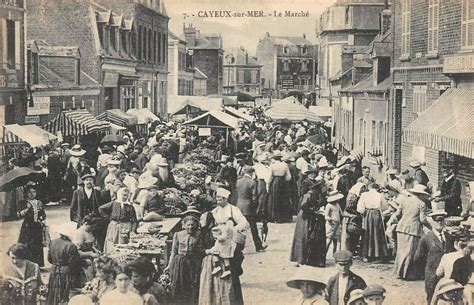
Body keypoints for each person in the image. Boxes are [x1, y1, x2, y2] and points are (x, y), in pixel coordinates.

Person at [210, 187, 248, 303]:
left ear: (226, 199)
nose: (218, 201)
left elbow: (243, 223)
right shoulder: (215, 211)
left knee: (232, 266)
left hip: (231, 240)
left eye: (220, 199)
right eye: (217, 198)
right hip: (220, 240)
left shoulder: (233, 210)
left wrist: (233, 230)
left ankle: (234, 298)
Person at [415, 206, 454, 304]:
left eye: (441, 220)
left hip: (447, 274)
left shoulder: (449, 237)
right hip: (432, 275)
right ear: (431, 222)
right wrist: (429, 271)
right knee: (432, 298)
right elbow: (419, 258)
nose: (439, 222)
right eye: (436, 220)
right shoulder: (426, 239)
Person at [165, 214, 204, 305]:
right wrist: (169, 265)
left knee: (191, 284)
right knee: (179, 284)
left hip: (192, 262)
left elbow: (200, 251)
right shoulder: (178, 235)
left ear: (196, 225)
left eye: (192, 225)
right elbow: (174, 252)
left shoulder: (198, 235)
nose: (190, 227)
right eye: (188, 225)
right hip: (180, 262)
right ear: (184, 225)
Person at [393, 183, 429, 280]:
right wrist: (430, 225)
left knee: (401, 251)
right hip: (413, 229)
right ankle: (406, 274)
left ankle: (398, 273)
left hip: (401, 227)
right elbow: (423, 219)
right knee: (409, 252)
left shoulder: (404, 200)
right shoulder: (421, 204)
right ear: (421, 194)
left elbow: (397, 214)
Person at [290, 178, 326, 268]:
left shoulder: (316, 194)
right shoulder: (310, 194)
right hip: (305, 217)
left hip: (309, 216)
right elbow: (304, 206)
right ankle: (301, 258)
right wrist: (315, 211)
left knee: (309, 236)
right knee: (304, 236)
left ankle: (307, 258)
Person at [46, 222, 82, 305]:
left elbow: (49, 259)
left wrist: (57, 263)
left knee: (53, 292)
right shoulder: (71, 246)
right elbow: (74, 263)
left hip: (54, 270)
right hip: (66, 273)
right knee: (64, 294)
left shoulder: (53, 242)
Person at [235, 166, 266, 252]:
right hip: (248, 207)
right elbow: (254, 197)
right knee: (253, 228)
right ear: (252, 173)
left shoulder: (238, 181)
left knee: (238, 227)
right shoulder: (252, 182)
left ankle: (236, 247)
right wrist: (255, 207)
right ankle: (258, 246)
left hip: (239, 205)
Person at [99, 187, 138, 254]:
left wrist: (133, 230)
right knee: (112, 242)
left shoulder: (130, 206)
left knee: (123, 243)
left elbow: (134, 220)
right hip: (114, 226)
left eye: (126, 195)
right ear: (119, 194)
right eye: (123, 195)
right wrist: (108, 218)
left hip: (125, 227)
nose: (125, 197)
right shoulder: (114, 203)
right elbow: (101, 208)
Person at [357, 183, 388, 262]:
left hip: (367, 214)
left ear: (369, 188)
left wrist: (363, 212)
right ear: (377, 188)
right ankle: (378, 254)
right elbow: (384, 207)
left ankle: (367, 254)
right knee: (377, 233)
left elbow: (360, 207)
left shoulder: (364, 195)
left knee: (367, 233)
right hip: (376, 213)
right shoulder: (380, 195)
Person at [17, 183, 46, 267]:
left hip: (37, 226)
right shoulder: (23, 202)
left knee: (37, 245)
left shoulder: (39, 202)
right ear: (26, 193)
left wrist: (41, 218)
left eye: (34, 192)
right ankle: (27, 265)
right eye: (30, 192)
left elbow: (43, 214)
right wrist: (27, 208)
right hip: (27, 227)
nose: (32, 194)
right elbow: (19, 214)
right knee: (27, 244)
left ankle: (36, 264)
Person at [72, 214, 100, 286]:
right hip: (83, 261)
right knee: (88, 281)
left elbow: (91, 244)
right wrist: (90, 254)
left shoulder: (89, 231)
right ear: (86, 223)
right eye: (92, 226)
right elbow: (77, 252)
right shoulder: (79, 233)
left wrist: (95, 249)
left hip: (91, 259)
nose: (93, 228)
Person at [341, 183, 367, 255]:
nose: (363, 190)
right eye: (362, 189)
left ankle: (352, 250)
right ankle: (349, 251)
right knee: (350, 234)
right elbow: (348, 208)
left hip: (355, 216)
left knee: (355, 234)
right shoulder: (352, 196)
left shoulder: (357, 195)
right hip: (351, 216)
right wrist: (358, 212)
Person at [268, 150, 292, 223]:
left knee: (275, 199)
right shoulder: (284, 165)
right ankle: (284, 217)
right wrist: (284, 180)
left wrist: (268, 185)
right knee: (284, 199)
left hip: (275, 181)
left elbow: (269, 176)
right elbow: (289, 176)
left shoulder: (272, 165)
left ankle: (275, 217)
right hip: (283, 181)